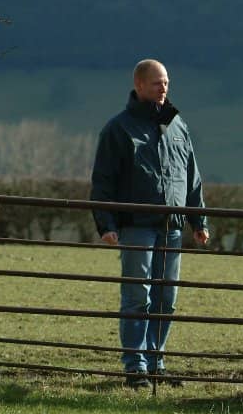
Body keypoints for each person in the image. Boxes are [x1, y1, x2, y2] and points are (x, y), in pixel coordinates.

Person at [90, 59, 210, 389]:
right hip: (135, 226)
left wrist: (198, 220)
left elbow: (192, 178)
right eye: (157, 83)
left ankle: (156, 361)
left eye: (167, 82)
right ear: (139, 85)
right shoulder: (119, 129)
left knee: (166, 298)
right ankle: (135, 366)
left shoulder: (178, 126)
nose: (164, 88)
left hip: (172, 225)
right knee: (136, 295)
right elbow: (102, 181)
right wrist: (106, 224)